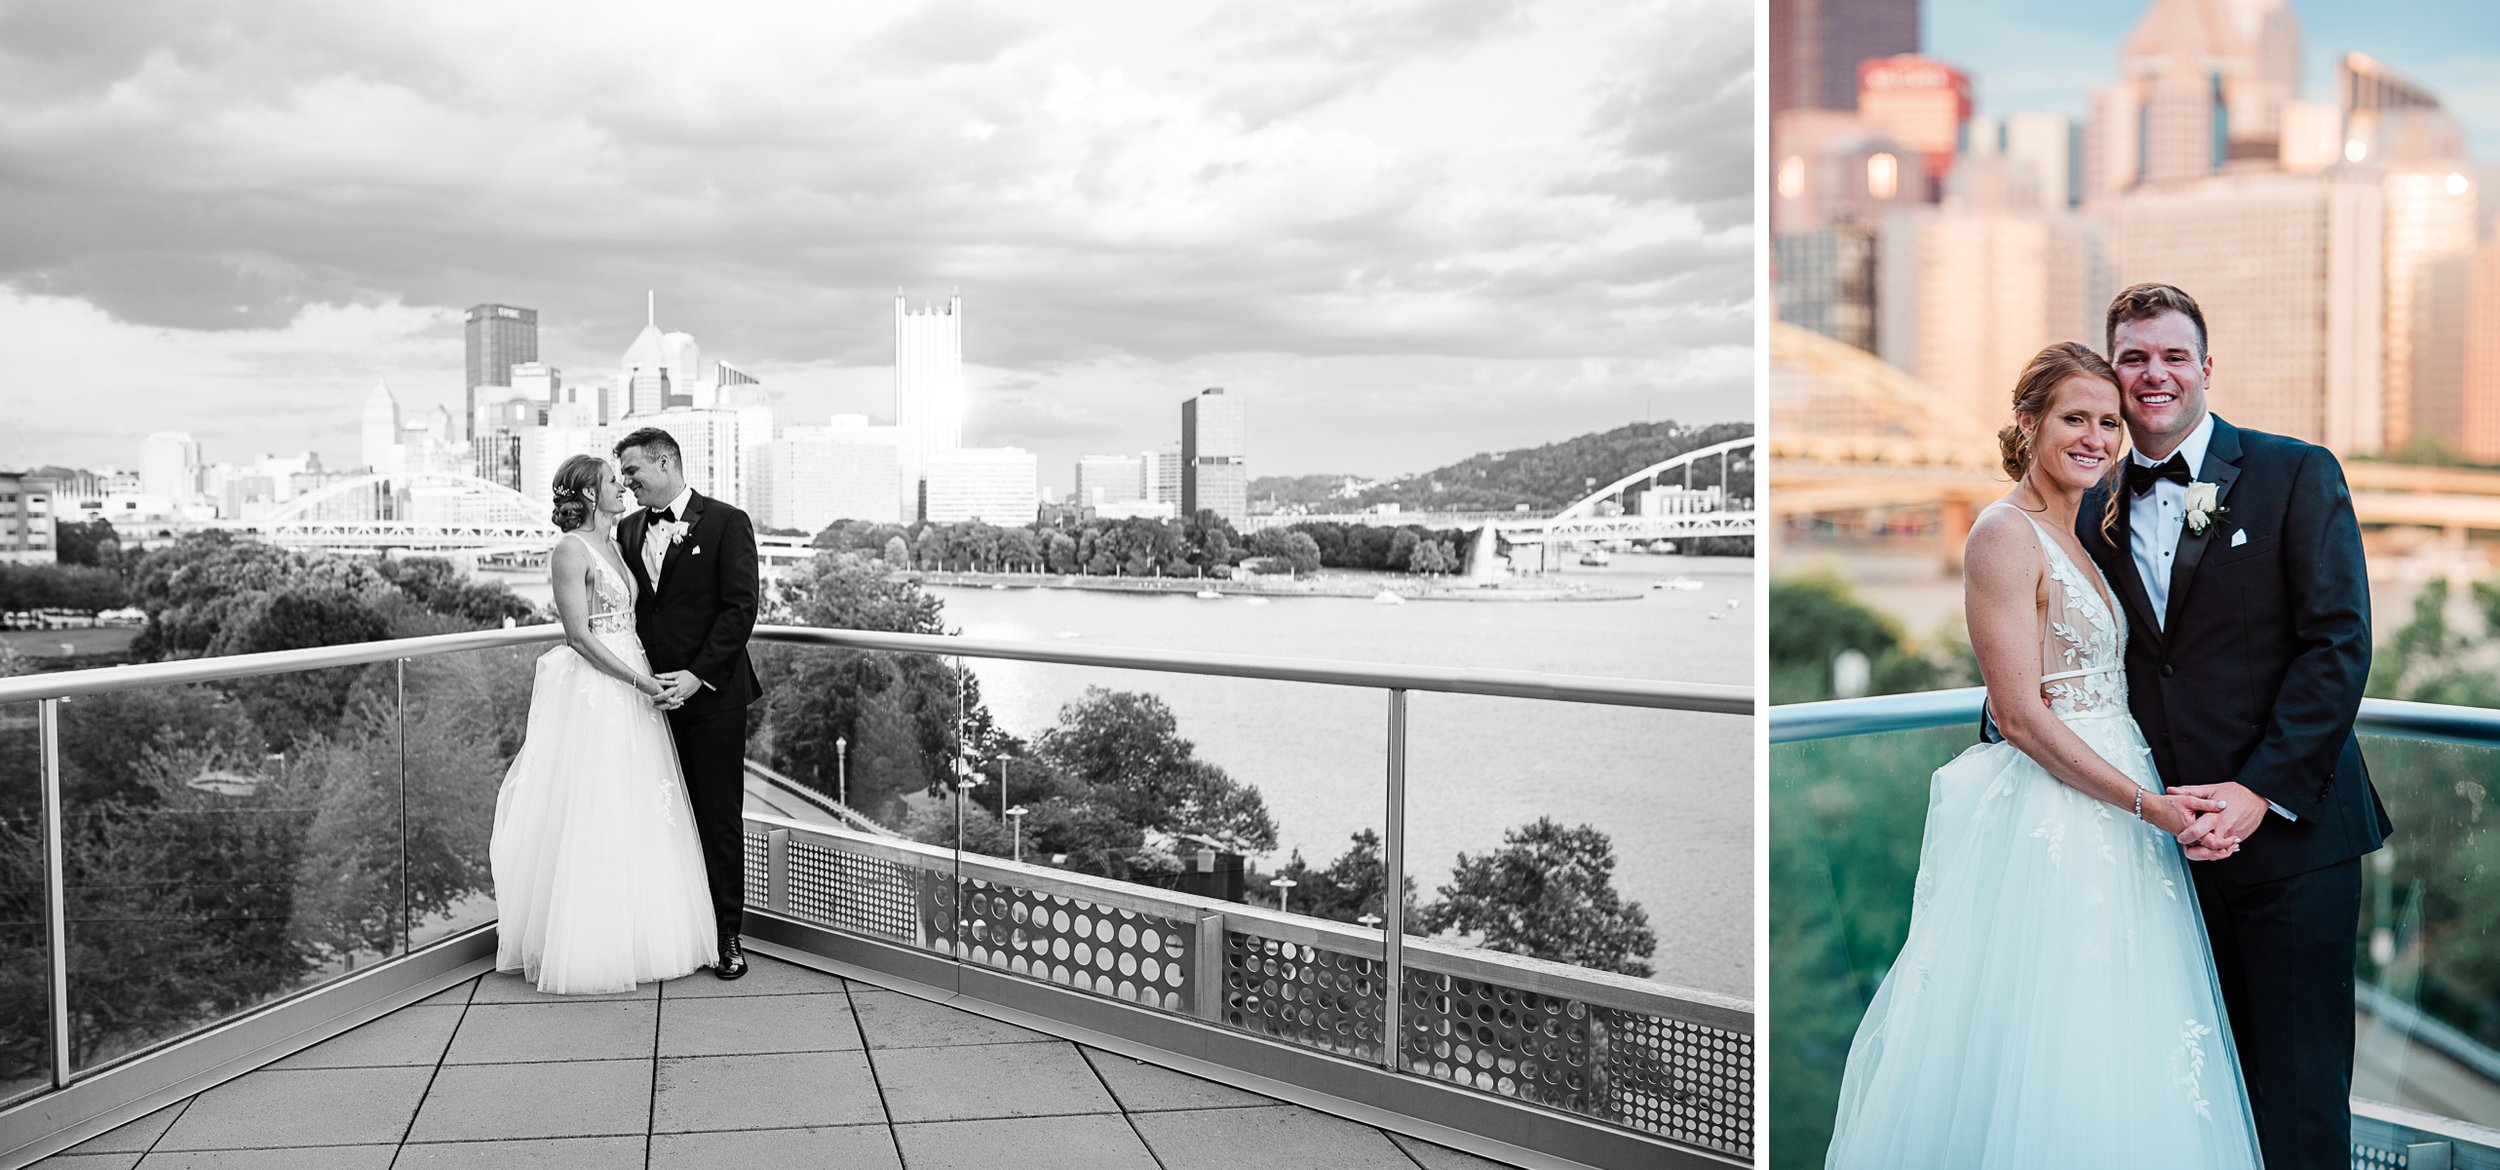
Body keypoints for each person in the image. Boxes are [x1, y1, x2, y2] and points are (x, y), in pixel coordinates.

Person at [1824, 342, 2262, 1167]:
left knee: (2120, 1036)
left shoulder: (2082, 529)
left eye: (2109, 422)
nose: (2096, 437)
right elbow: (2020, 716)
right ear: (2028, 423)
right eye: (2074, 418)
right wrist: (2152, 805)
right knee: (2056, 1039)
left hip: (2118, 809)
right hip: (2065, 817)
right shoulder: (2001, 533)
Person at [2082, 283, 2391, 1170]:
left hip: (2294, 845)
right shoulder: (2088, 504)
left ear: (2207, 369)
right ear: (2113, 373)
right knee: (2191, 1101)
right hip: (2164, 855)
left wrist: (2258, 792)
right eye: (2134, 357)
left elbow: (2339, 646)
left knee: (2297, 1106)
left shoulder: (2297, 472)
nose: (2154, 374)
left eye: (2174, 356)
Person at [491, 454, 717, 993]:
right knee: (596, 807)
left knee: (639, 805)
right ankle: (589, 944)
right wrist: (641, 683)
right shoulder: (570, 550)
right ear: (591, 495)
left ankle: (642, 937)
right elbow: (580, 637)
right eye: (615, 482)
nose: (624, 487)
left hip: (634, 676)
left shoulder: (615, 544)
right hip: (600, 688)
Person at [614, 427, 765, 980]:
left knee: (717, 818)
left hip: (712, 699)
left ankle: (727, 936)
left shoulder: (727, 522)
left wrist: (697, 677)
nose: (626, 483)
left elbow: (740, 608)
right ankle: (669, 932)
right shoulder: (627, 530)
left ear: (665, 461)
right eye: (622, 476)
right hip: (646, 701)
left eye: (632, 471)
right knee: (655, 817)